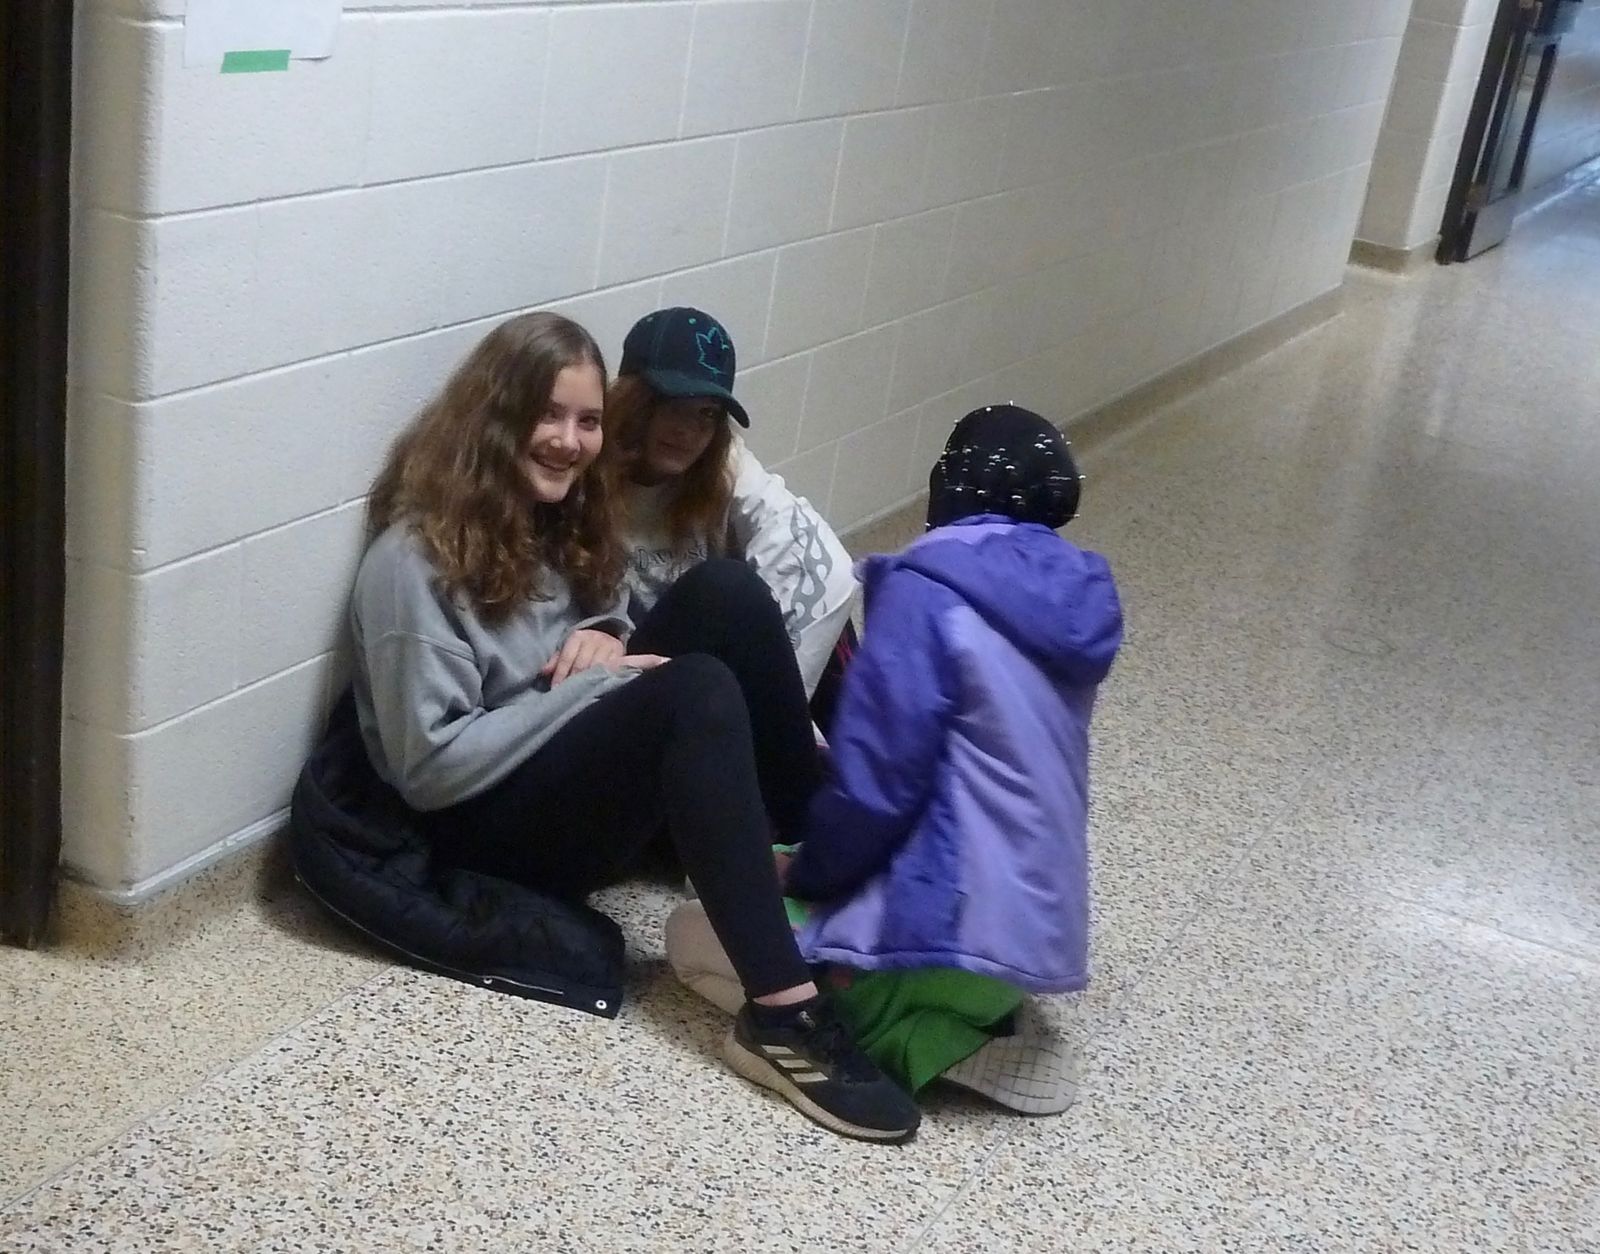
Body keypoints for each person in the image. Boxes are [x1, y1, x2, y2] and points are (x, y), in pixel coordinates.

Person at [346, 310, 919, 1143]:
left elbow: (604, 610)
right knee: (695, 693)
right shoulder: (411, 566)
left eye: (587, 421)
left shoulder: (552, 514)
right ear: (493, 418)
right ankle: (783, 1016)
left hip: (554, 753)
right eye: (548, 415)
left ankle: (823, 859)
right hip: (483, 823)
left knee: (726, 594)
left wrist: (605, 635)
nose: (571, 441)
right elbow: (429, 770)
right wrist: (594, 685)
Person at [667, 404, 1123, 1112]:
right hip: (1032, 945)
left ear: (947, 485)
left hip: (945, 938)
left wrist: (808, 874)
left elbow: (879, 785)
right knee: (793, 863)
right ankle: (982, 1011)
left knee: (691, 936)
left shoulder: (928, 589)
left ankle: (924, 1040)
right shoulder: (1071, 605)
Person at [597, 307, 858, 732]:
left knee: (817, 617)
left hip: (705, 662)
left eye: (707, 414)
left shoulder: (720, 462)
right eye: (674, 407)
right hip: (626, 668)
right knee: (725, 586)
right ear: (634, 400)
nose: (689, 431)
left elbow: (826, 569)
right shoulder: (589, 462)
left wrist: (777, 700)